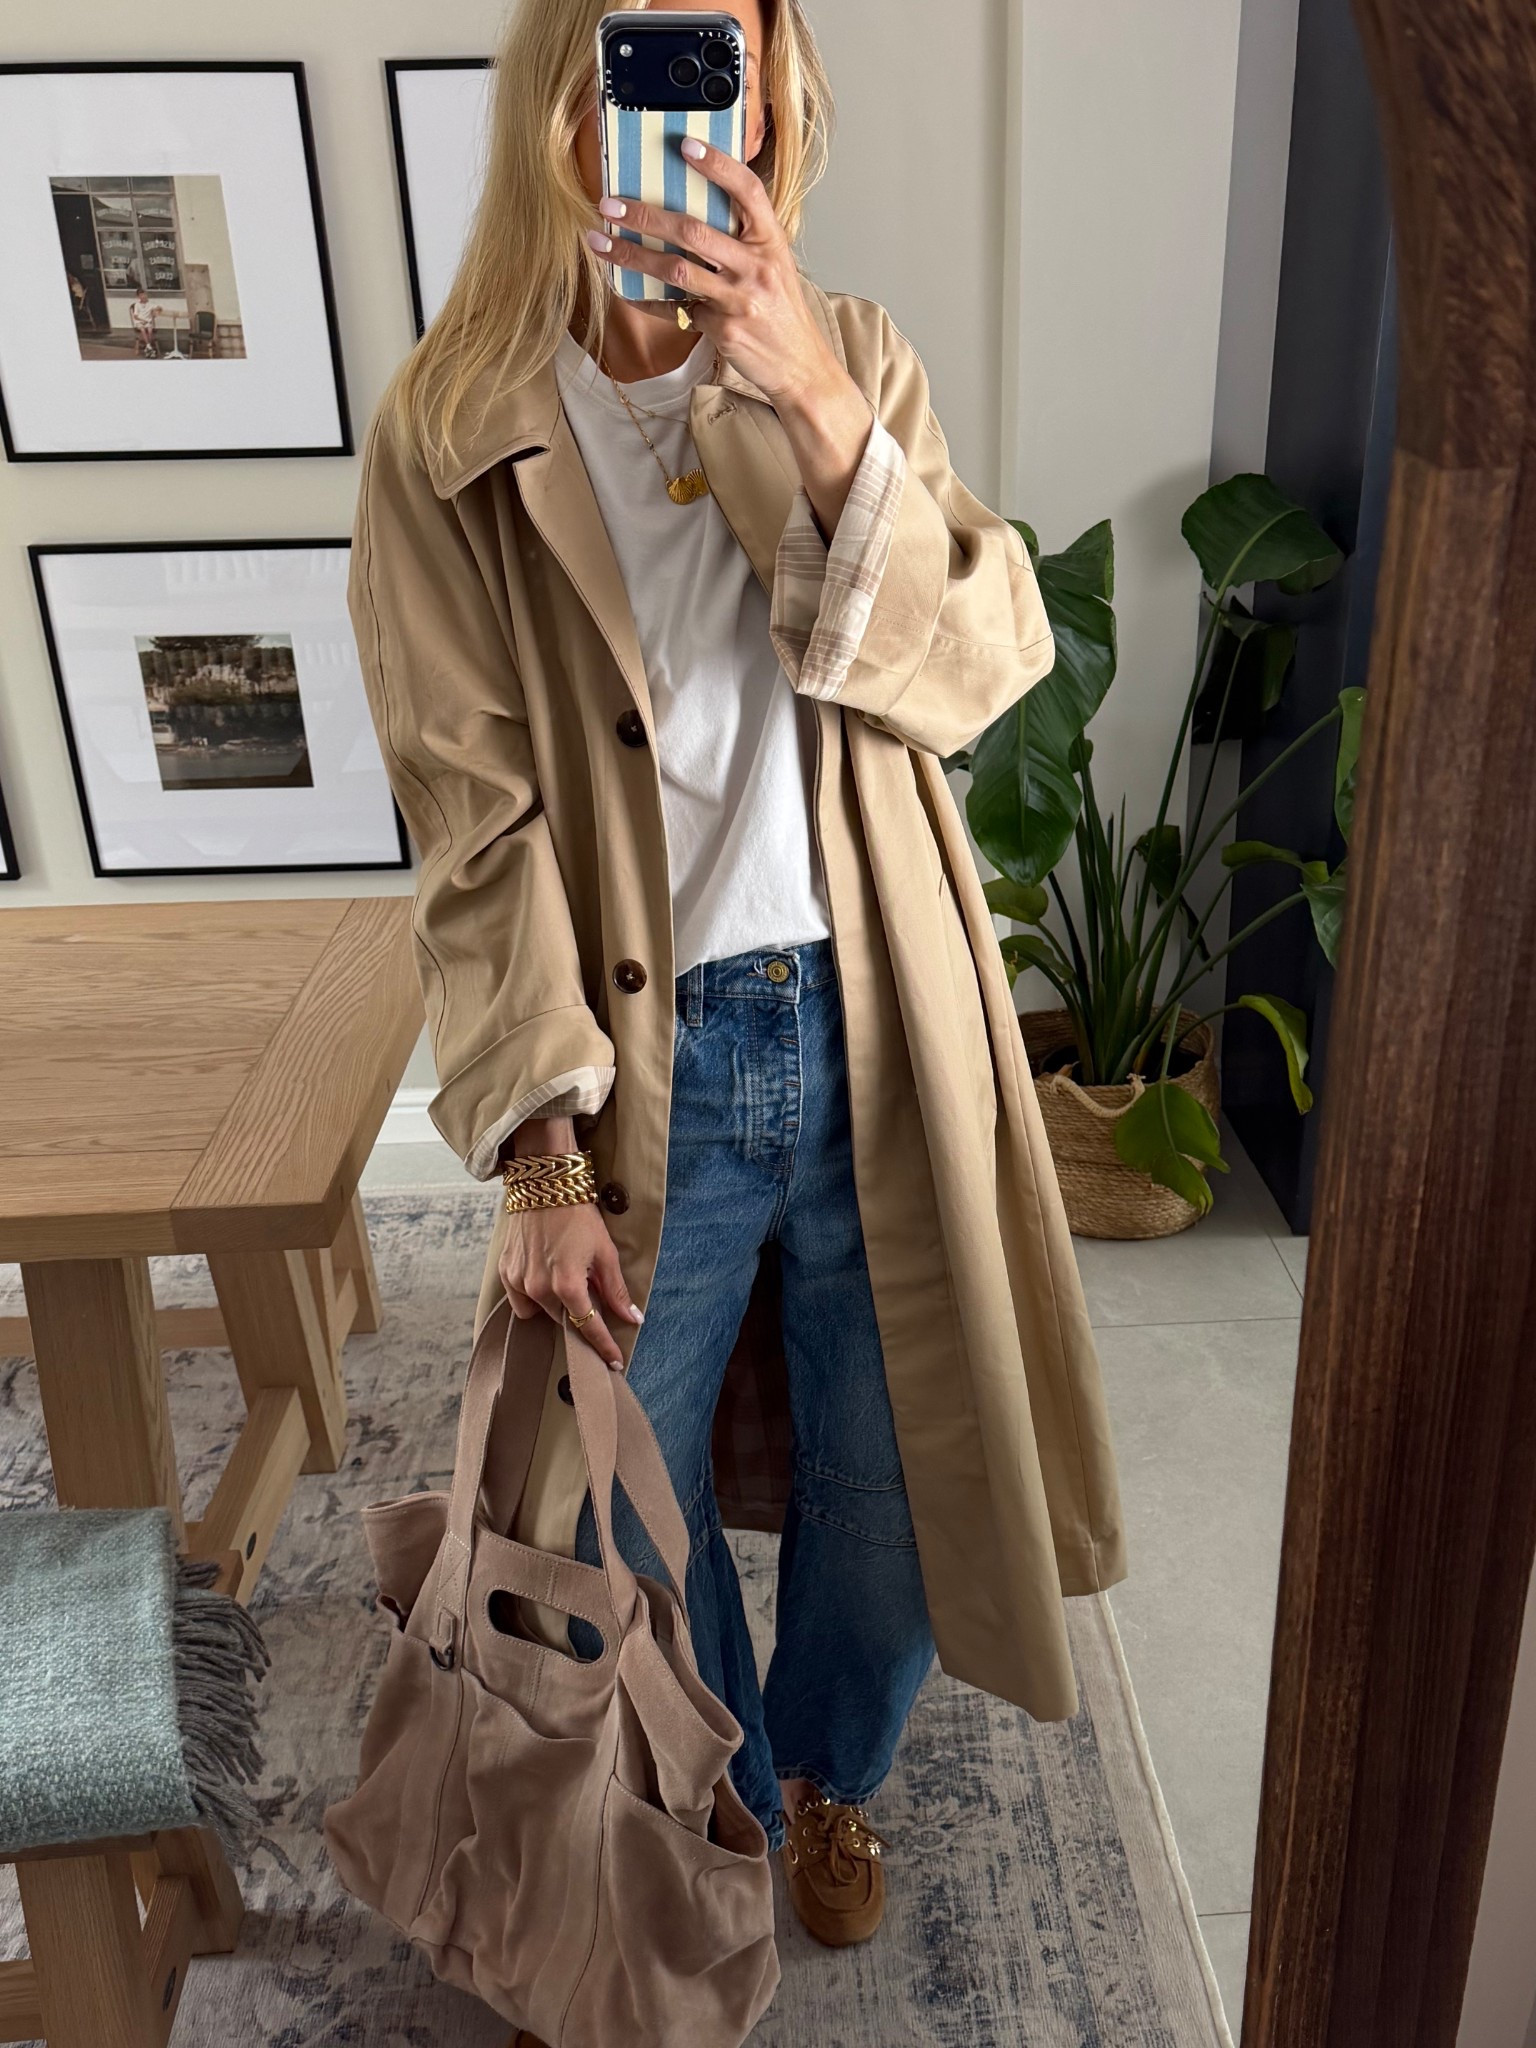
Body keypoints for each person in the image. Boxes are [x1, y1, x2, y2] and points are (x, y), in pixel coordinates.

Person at [348, 0, 1126, 1994]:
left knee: (899, 1465)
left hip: (877, 1026)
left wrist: (818, 409)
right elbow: (472, 821)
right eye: (647, 38)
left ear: (774, 78)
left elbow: (980, 670)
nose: (695, 88)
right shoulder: (452, 424)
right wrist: (537, 1149)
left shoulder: (849, 357)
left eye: (731, 37)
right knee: (625, 1493)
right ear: (569, 81)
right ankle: (702, 1788)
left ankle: (821, 1775)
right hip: (643, 1065)